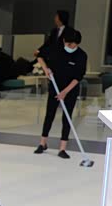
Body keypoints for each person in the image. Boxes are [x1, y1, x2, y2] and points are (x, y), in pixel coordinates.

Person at [34, 27, 87, 159]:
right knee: (49, 114)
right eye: (69, 44)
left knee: (67, 117)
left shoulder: (81, 55)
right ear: (64, 41)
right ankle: (42, 143)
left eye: (74, 45)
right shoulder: (55, 50)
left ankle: (62, 148)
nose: (71, 47)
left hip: (70, 89)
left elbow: (78, 77)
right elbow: (39, 56)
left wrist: (65, 92)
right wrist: (46, 69)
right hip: (55, 86)